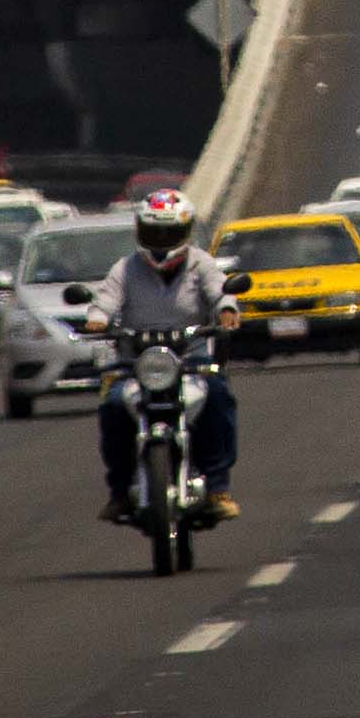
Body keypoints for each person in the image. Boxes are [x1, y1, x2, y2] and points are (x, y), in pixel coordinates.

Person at [83, 188, 242, 524]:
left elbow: (219, 293)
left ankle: (217, 489)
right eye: (154, 231)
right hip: (135, 365)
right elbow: (106, 300)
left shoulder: (202, 263)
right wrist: (97, 320)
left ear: (185, 232)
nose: (161, 240)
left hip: (191, 362)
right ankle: (119, 492)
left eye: (169, 232)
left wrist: (227, 311)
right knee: (113, 407)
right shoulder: (124, 269)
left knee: (218, 397)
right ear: (140, 231)